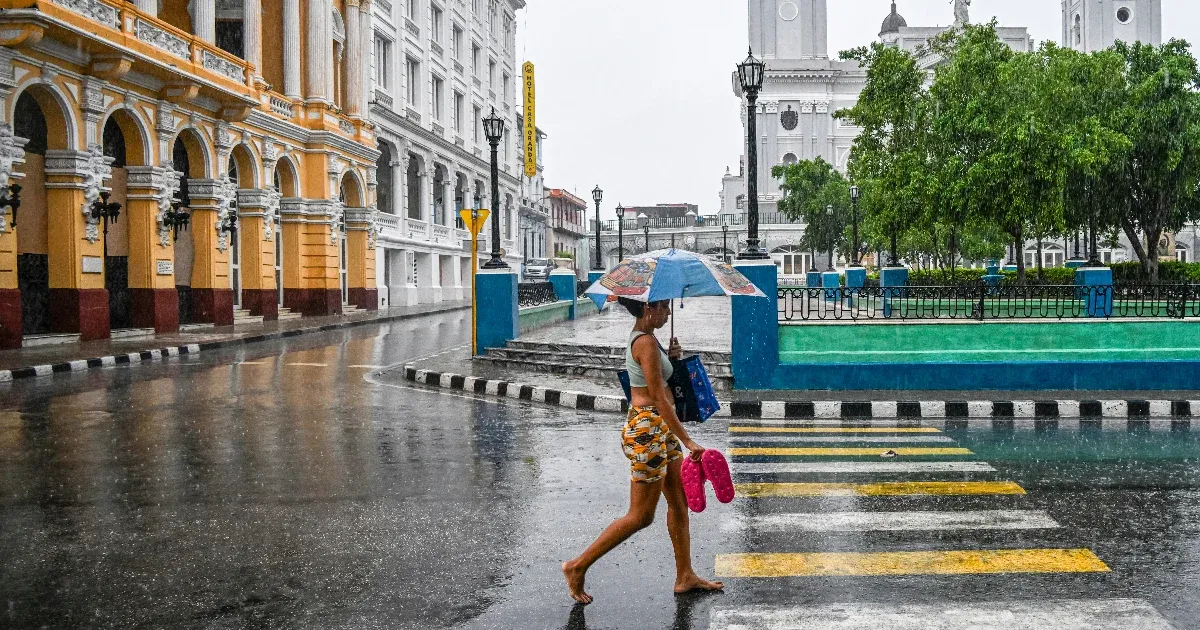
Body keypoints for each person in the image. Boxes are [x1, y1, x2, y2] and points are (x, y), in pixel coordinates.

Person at [562, 297, 724, 605]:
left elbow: (661, 385)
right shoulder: (645, 343)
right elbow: (659, 400)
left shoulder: (650, 340)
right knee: (640, 516)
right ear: (647, 308)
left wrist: (673, 360)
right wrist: (689, 441)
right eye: (662, 306)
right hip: (648, 430)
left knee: (679, 502)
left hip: (660, 429)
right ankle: (577, 566)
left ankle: (684, 575)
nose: (667, 311)